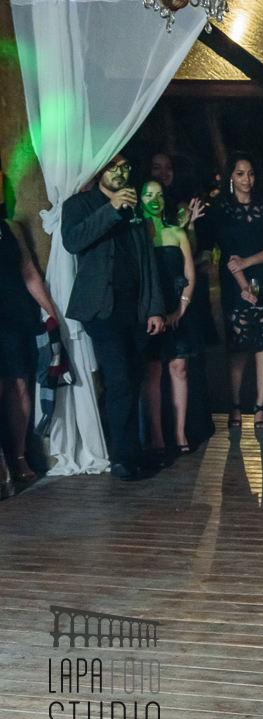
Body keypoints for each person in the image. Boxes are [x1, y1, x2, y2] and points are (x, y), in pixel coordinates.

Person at [62, 153, 167, 481]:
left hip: (134, 308)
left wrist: (154, 307)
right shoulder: (79, 204)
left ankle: (133, 453)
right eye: (114, 167)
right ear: (100, 170)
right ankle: (121, 458)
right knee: (119, 378)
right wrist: (111, 208)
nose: (121, 172)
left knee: (134, 379)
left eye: (125, 167)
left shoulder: (134, 205)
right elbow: (73, 241)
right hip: (101, 308)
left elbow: (146, 258)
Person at [207, 152, 263, 430]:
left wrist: (248, 262)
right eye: (240, 173)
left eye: (250, 173)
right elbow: (223, 252)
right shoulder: (220, 210)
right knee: (238, 345)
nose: (246, 179)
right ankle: (235, 404)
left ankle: (261, 406)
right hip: (233, 283)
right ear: (230, 177)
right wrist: (241, 284)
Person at [138, 180, 202, 457]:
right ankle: (157, 435)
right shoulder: (138, 233)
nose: (154, 199)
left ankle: (179, 432)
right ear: (140, 200)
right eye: (148, 194)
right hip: (149, 312)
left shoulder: (177, 233)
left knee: (180, 369)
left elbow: (190, 274)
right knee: (152, 372)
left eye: (159, 195)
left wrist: (181, 309)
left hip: (178, 310)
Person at [0, 217, 57, 495]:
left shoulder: (10, 227)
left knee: (20, 386)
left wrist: (52, 313)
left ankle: (19, 456)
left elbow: (28, 271)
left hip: (16, 313)